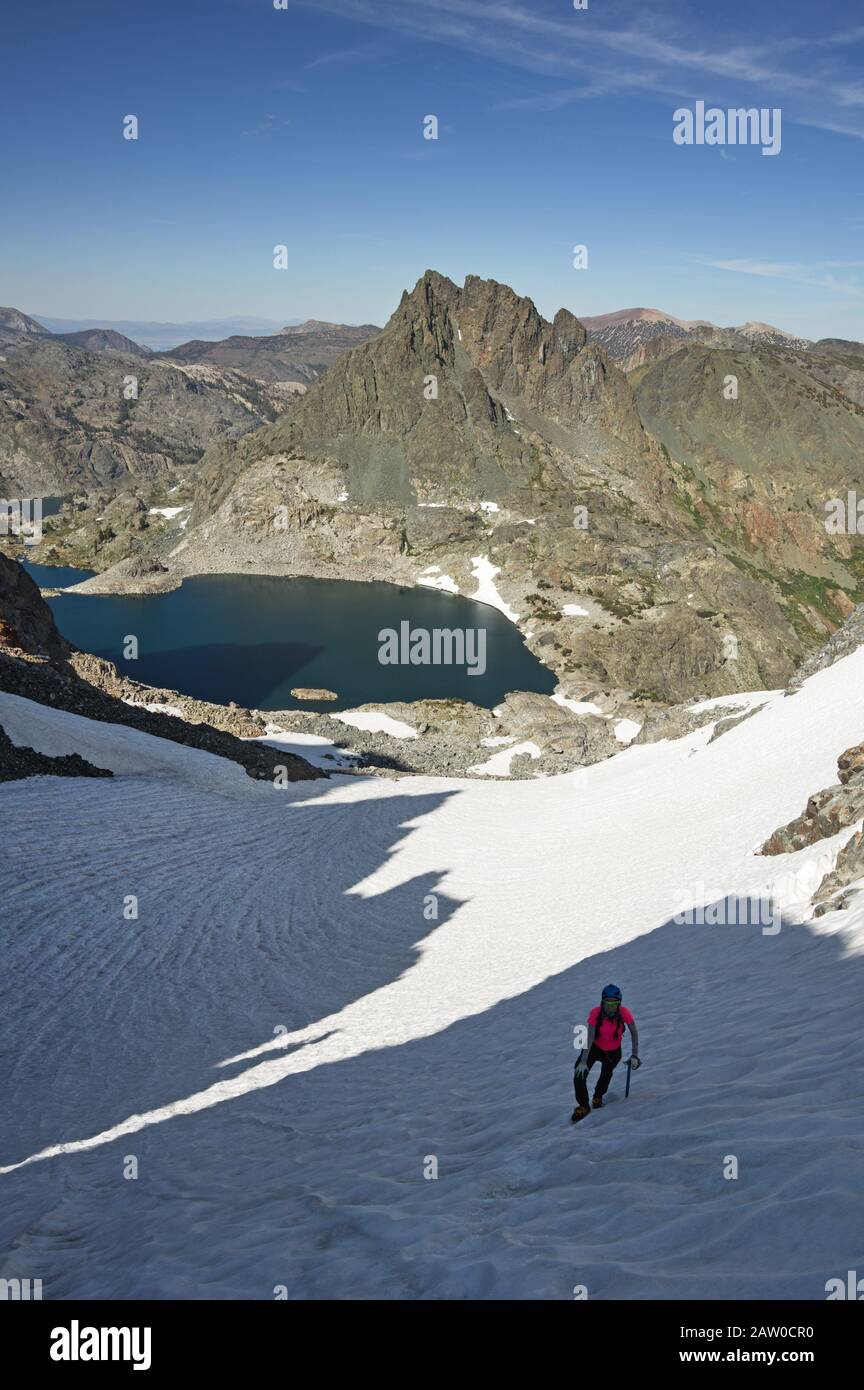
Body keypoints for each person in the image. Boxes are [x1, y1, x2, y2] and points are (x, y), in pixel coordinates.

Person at [571, 984, 640, 1123]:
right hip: (594, 1049)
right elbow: (589, 1037)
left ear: (619, 1003)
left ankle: (598, 1097)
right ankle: (583, 1106)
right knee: (579, 1075)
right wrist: (583, 1060)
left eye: (614, 1004)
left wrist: (634, 1055)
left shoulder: (624, 1013)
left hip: (613, 1052)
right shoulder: (595, 1013)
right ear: (602, 1002)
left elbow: (634, 1031)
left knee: (606, 1075)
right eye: (607, 1003)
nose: (610, 1007)